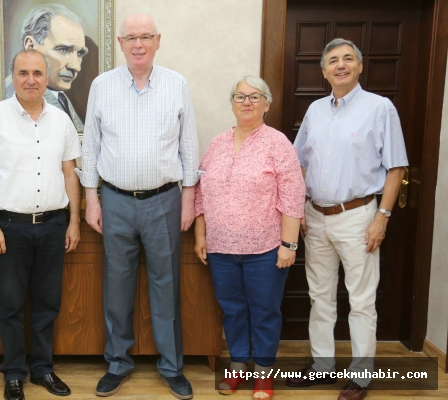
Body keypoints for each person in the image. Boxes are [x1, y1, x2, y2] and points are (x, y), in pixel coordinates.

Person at [79, 13, 199, 400]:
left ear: (157, 40)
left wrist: (188, 201)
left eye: (145, 36)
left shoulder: (176, 84)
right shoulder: (102, 85)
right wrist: (90, 199)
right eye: (131, 37)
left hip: (164, 201)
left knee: (166, 287)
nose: (138, 44)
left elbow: (189, 146)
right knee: (117, 286)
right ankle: (117, 363)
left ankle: (171, 366)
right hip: (114, 201)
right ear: (120, 43)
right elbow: (91, 147)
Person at [286, 38, 408, 400]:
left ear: (359, 66)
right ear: (324, 71)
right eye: (333, 61)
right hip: (315, 216)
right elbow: (299, 164)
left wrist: (382, 217)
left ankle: (360, 376)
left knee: (361, 299)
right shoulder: (315, 111)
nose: (341, 65)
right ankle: (323, 366)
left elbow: (397, 167)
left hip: (358, 218)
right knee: (319, 296)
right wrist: (299, 212)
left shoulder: (379, 108)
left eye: (348, 59)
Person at [0, 49, 81, 400]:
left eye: (36, 73)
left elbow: (69, 173)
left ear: (46, 78)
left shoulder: (61, 120)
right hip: (9, 228)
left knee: (48, 303)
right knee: (11, 305)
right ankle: (14, 373)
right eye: (22, 73)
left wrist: (74, 221)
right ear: (13, 77)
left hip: (52, 227)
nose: (30, 79)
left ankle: (43, 370)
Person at [193, 76, 305, 400]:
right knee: (232, 309)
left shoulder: (278, 143)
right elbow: (201, 193)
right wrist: (201, 235)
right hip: (220, 248)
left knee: (265, 310)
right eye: (240, 97)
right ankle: (239, 365)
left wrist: (289, 244)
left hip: (266, 248)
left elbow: (293, 196)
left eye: (255, 97)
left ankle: (263, 373)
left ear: (266, 104)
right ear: (231, 103)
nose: (246, 102)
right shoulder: (216, 143)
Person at [5, 3, 89, 131]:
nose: (76, 66)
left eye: (80, 53)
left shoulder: (61, 98)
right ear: (30, 46)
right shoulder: (8, 96)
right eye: (63, 50)